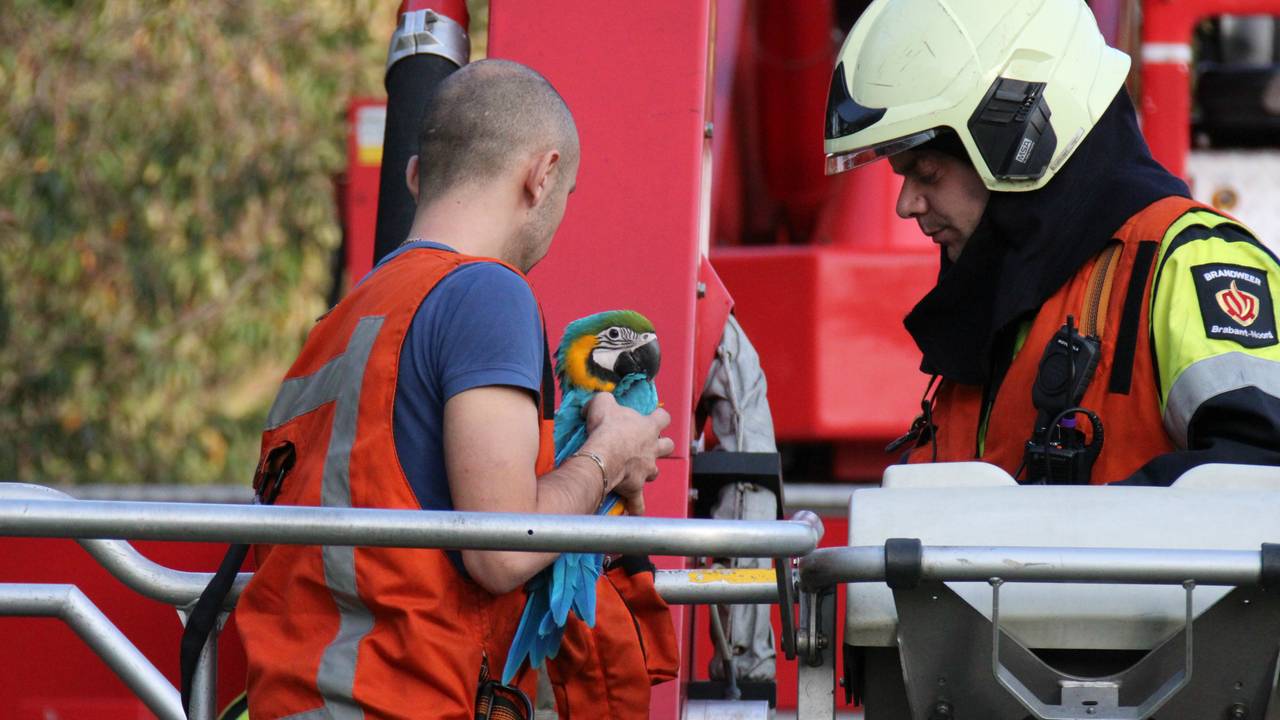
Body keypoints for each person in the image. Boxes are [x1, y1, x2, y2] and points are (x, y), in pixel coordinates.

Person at [235, 59, 674, 718]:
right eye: (567, 194)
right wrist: (611, 456)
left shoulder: (341, 323)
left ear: (415, 178)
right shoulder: (485, 293)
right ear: (541, 174)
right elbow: (501, 547)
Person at [824, 0, 1280, 485]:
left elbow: (1258, 482)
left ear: (1016, 136)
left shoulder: (1190, 263)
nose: (906, 204)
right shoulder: (996, 310)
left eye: (927, 171)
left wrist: (1069, 530)